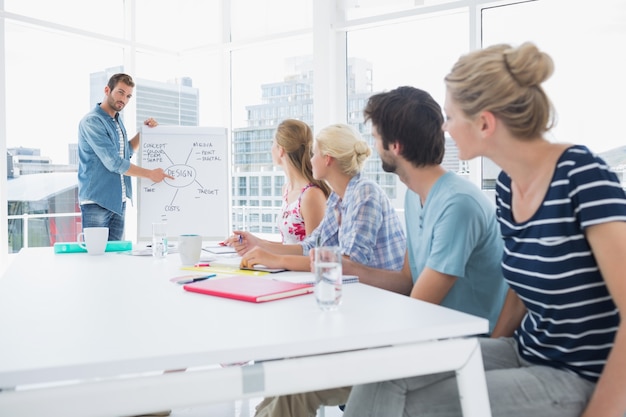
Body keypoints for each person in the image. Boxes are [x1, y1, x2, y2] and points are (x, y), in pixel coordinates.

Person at [344, 42, 626, 417]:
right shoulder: (508, 186)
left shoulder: (582, 176)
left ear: (484, 123)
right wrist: (487, 353)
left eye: (450, 116)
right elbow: (519, 291)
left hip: (579, 374)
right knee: (383, 373)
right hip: (523, 351)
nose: (444, 128)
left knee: (421, 407)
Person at [253, 86, 509, 417]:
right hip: (426, 333)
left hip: (453, 345)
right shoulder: (414, 197)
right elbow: (406, 281)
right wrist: (337, 269)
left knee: (305, 375)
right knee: (290, 380)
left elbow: (419, 307)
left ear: (395, 146)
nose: (371, 147)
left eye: (375, 137)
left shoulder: (456, 203)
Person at [233, 123, 406, 287]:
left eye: (314, 154)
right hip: (361, 291)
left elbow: (349, 263)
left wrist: (276, 260)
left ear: (327, 159)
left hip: (384, 297)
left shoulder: (365, 193)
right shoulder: (337, 200)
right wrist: (259, 244)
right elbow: (310, 246)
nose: (311, 160)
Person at [78, 73, 173, 241]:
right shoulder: (92, 121)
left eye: (128, 96)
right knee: (95, 259)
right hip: (96, 201)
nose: (124, 99)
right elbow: (113, 163)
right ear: (107, 90)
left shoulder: (116, 121)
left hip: (118, 201)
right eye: (120, 92)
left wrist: (144, 132)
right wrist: (150, 174)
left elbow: (126, 152)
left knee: (115, 258)